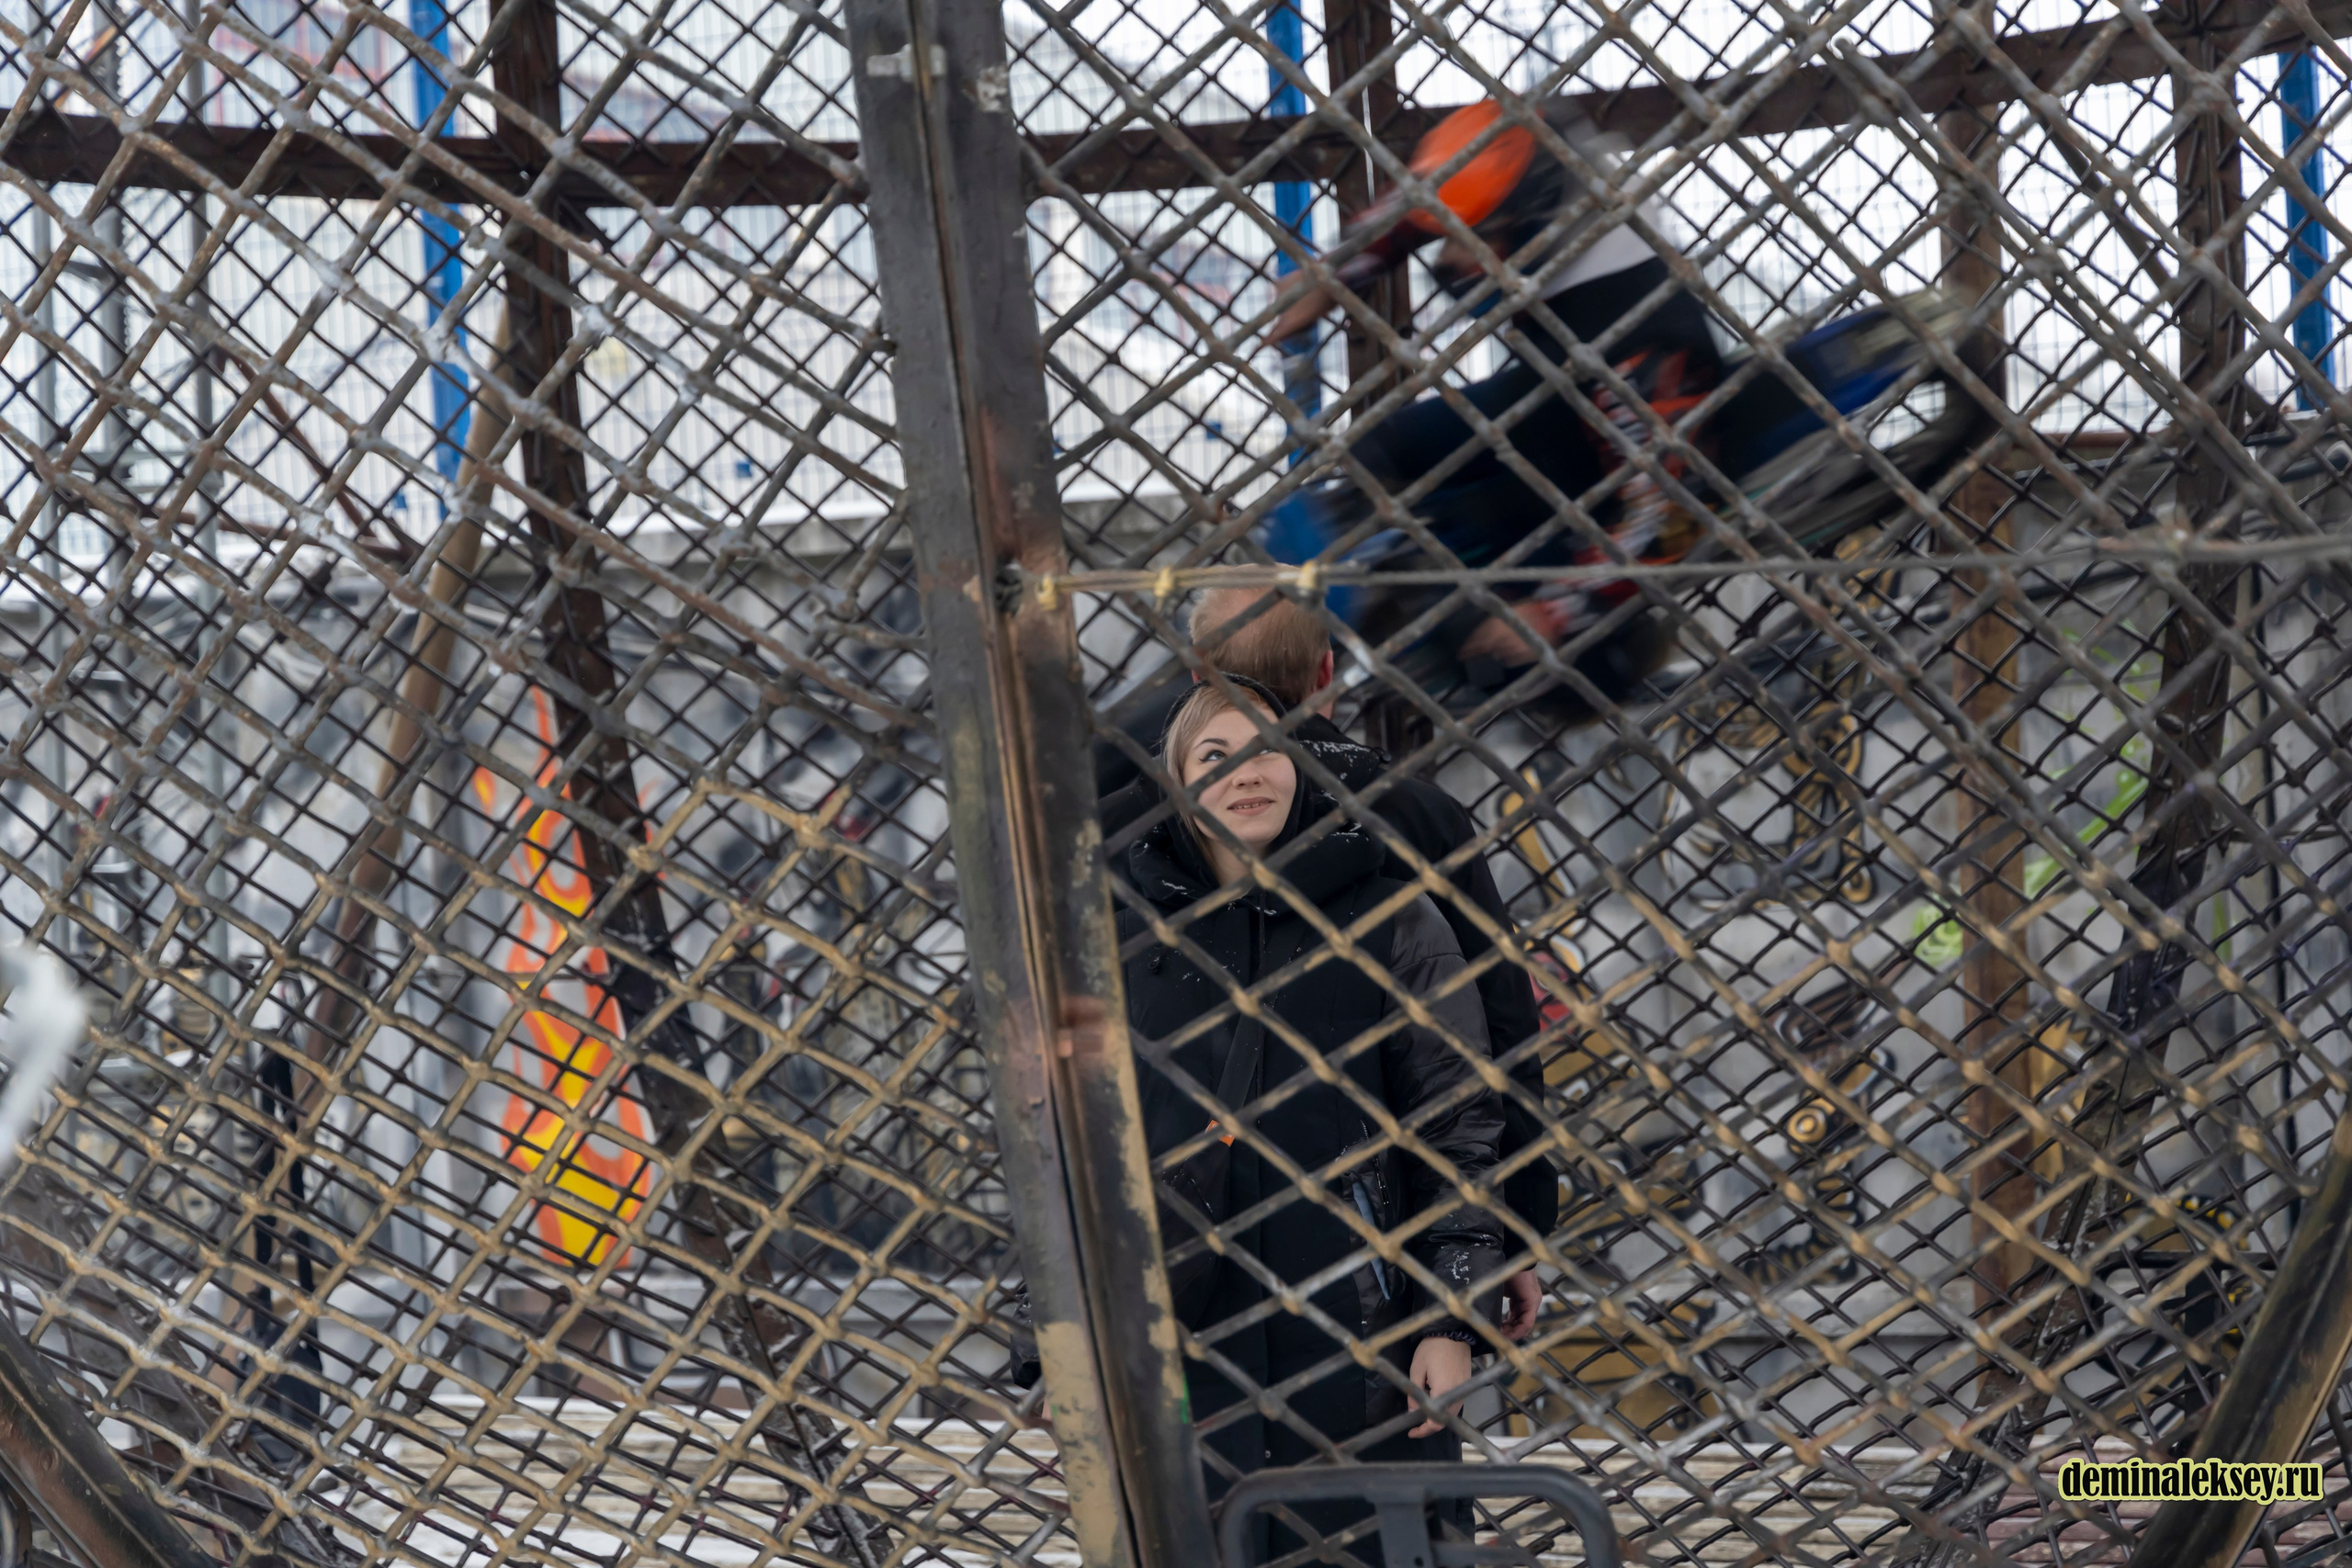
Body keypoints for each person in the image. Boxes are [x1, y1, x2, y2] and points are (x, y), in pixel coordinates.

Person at [1100, 587, 1555, 1338]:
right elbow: (1496, 1021)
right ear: (1327, 673)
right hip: (1381, 1249)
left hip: (1167, 1249)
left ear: (1194, 677)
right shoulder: (1413, 811)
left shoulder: (1127, 823)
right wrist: (1513, 1225)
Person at [1118, 676, 1504, 1558]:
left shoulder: (1390, 915)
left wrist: (1448, 1321)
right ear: (1177, 780)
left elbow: (1458, 1124)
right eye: (1215, 755)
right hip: (1184, 1333)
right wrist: (1053, 1337)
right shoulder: (1125, 938)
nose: (1247, 771)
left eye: (1268, 748)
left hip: (1358, 1327)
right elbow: (1062, 1146)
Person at [1262, 97, 1724, 682]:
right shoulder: (1535, 156)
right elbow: (1422, 207)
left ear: (1532, 227)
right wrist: (1333, 275)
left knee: (1518, 642)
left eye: (1471, 240)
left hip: (1620, 462)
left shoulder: (1640, 343)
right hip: (1554, 391)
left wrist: (1554, 611)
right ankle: (1359, 572)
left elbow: (1668, 509)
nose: (1449, 260)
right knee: (1383, 448)